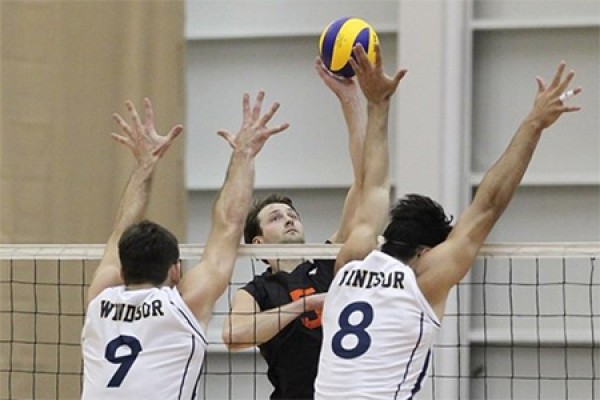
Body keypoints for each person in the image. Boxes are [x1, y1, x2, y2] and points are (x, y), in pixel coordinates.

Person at [314, 61, 582, 399]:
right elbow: (488, 205)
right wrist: (534, 124)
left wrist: (377, 103)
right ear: (427, 252)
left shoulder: (350, 259)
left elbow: (375, 186)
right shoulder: (423, 281)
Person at [222, 44, 407, 399]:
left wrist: (351, 100)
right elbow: (233, 335)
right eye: (276, 218)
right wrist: (304, 305)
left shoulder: (330, 261)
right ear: (258, 244)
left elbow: (365, 180)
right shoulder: (259, 291)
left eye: (292, 215)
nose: (289, 220)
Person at [81, 93, 289, 399]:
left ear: (122, 270)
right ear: (176, 271)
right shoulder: (184, 305)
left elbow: (119, 233)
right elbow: (229, 224)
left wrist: (144, 165)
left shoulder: (99, 300)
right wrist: (243, 154)